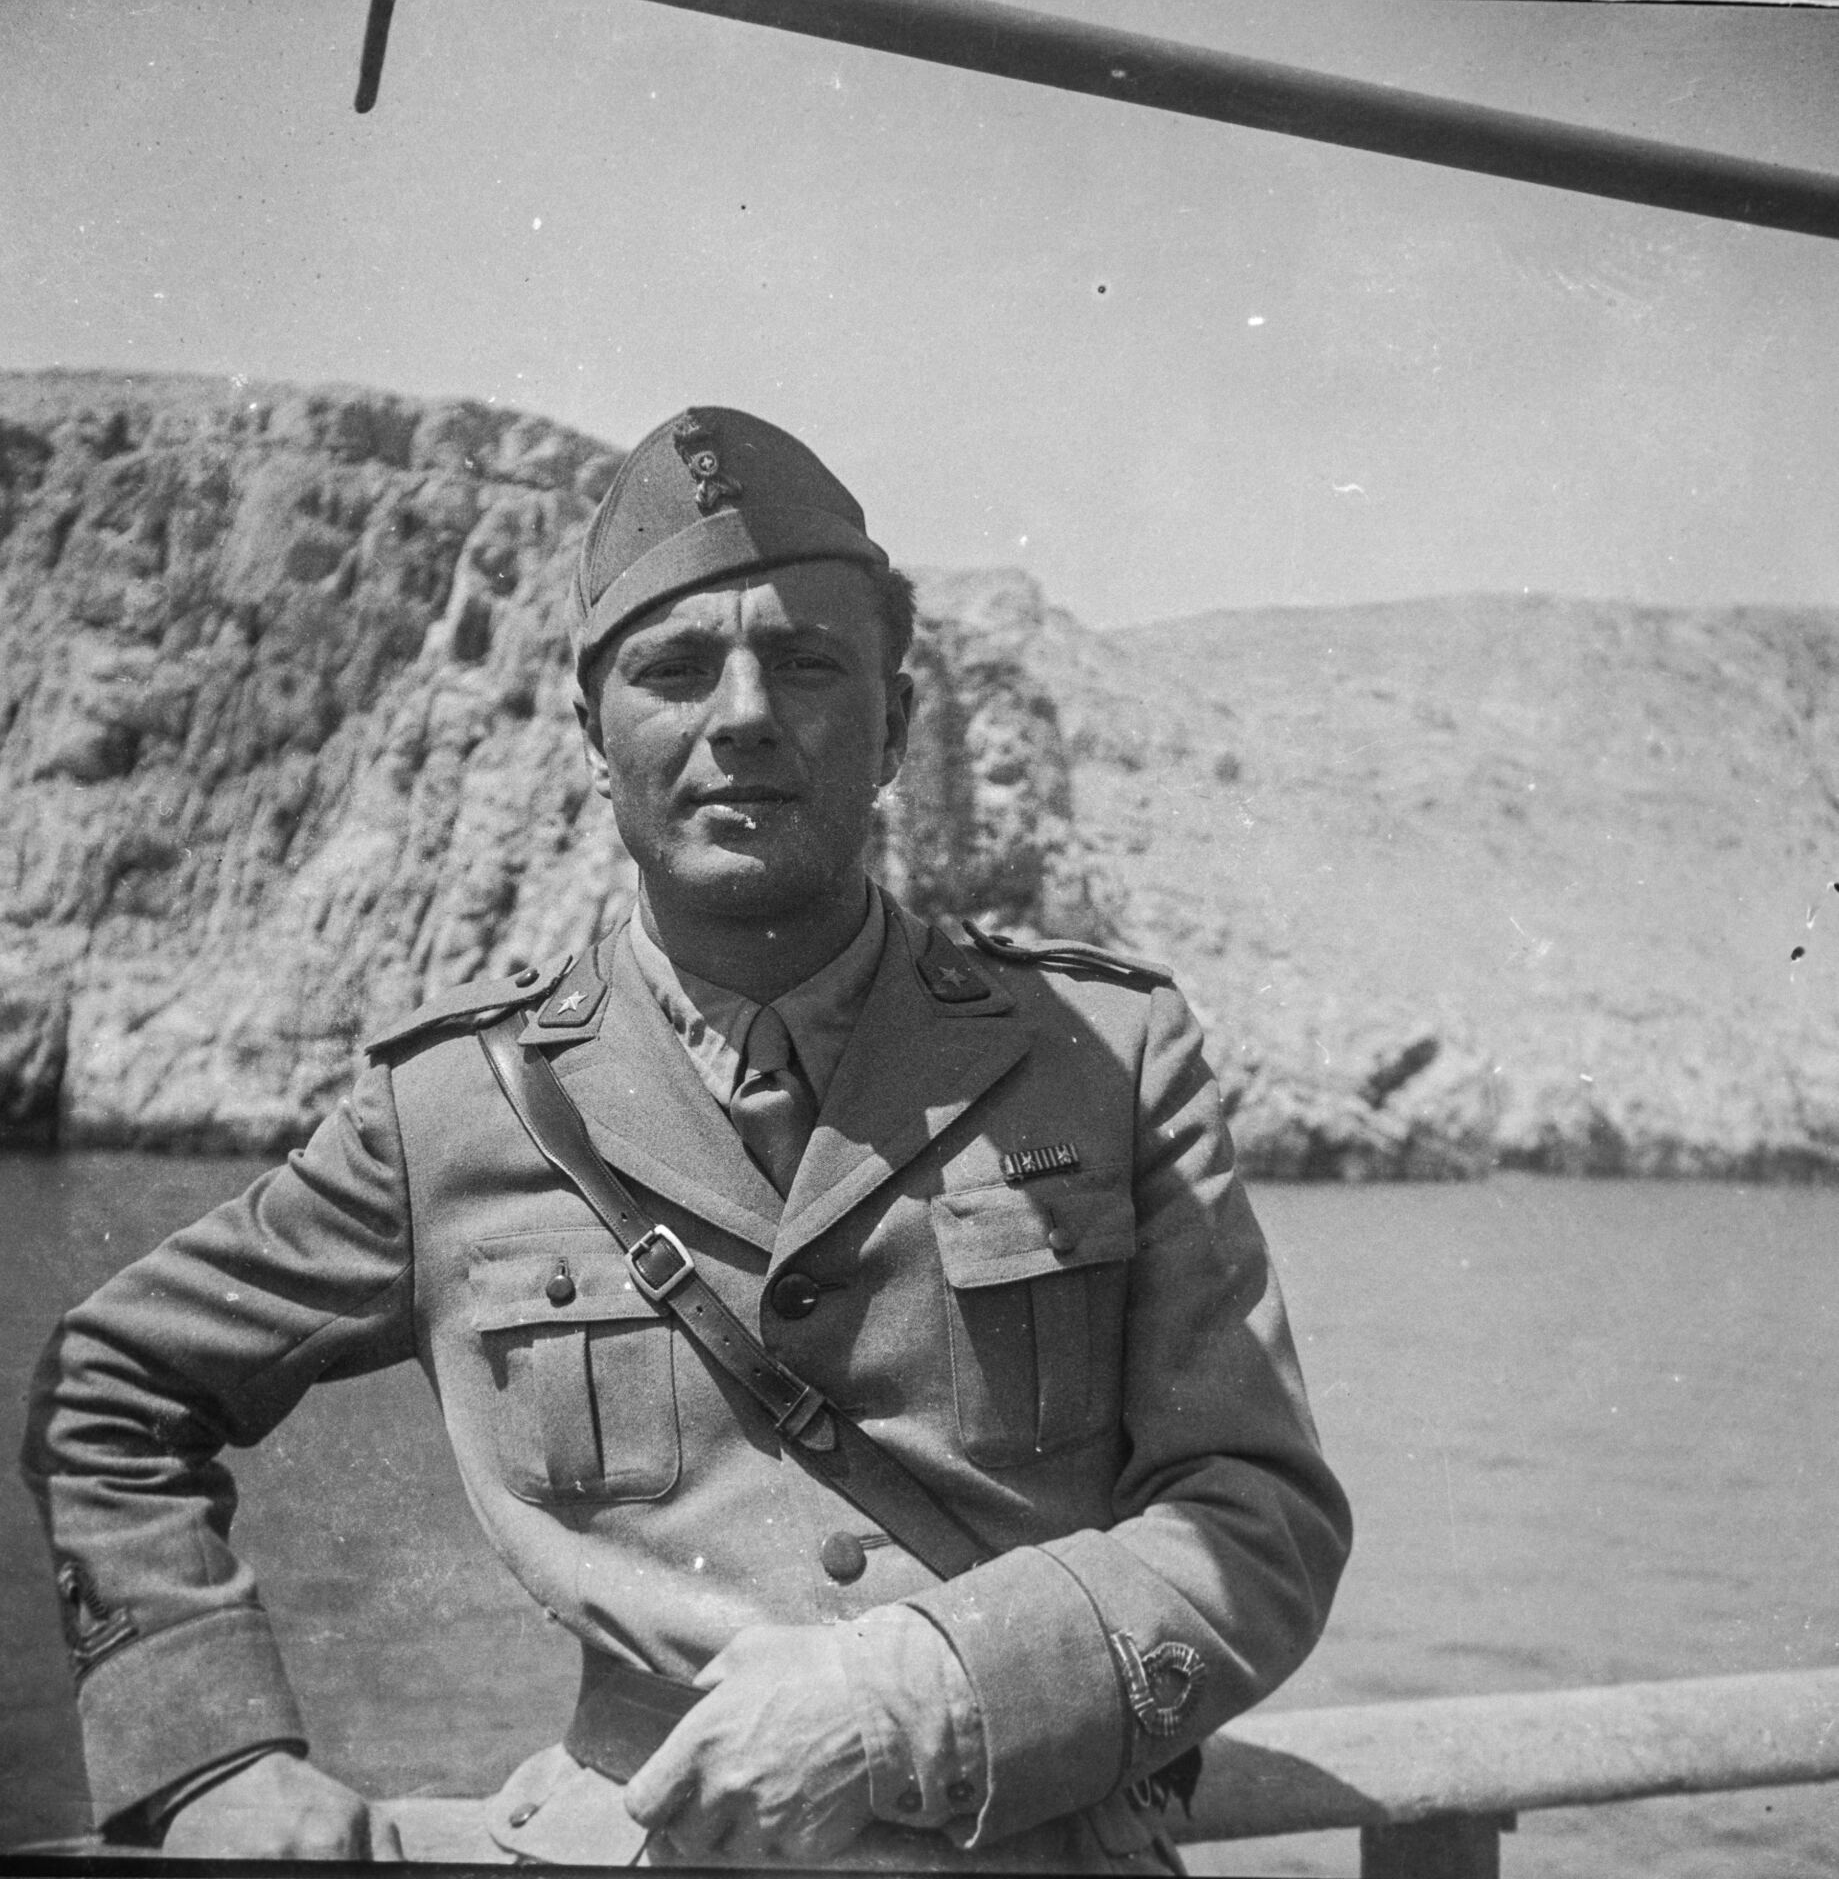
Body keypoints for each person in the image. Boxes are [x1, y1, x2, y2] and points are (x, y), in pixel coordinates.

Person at [22, 406, 1352, 1870]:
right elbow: (112, 1388)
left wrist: (906, 1701)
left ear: (896, 726)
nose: (743, 715)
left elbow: (1259, 1520)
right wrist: (209, 1757)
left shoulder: (1103, 1054)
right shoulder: (453, 1110)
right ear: (594, 740)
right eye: (673, 669)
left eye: (805, 661)